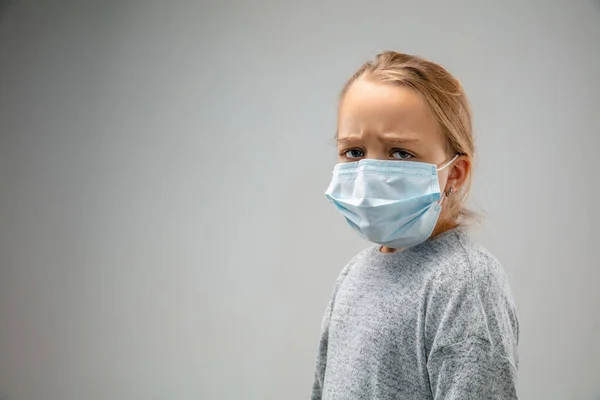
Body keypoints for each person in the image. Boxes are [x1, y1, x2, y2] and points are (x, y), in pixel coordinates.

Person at [311, 51, 519, 400]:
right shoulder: (353, 275)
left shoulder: (464, 282)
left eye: (400, 153)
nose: (368, 174)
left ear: (453, 172)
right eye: (354, 152)